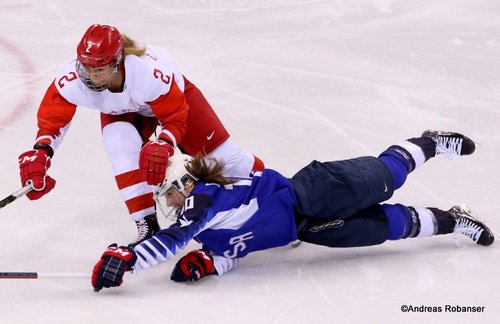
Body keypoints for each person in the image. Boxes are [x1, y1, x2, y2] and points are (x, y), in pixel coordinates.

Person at [91, 130, 495, 292]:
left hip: (314, 191)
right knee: (387, 227)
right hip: (309, 228)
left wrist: (127, 257)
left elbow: (169, 241)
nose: (168, 202)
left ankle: (428, 142)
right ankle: (453, 220)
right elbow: (235, 251)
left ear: (185, 183)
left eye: (169, 192)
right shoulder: (206, 228)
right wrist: (208, 263)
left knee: (386, 174)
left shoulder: (207, 198)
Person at [17, 24, 263, 245]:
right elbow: (52, 121)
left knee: (228, 162)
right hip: (123, 111)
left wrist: (164, 143)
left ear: (117, 63)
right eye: (86, 67)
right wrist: (41, 153)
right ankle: (146, 224)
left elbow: (176, 117)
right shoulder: (72, 80)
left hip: (175, 101)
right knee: (117, 142)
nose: (91, 77)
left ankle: (280, 198)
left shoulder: (148, 73)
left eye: (100, 69)